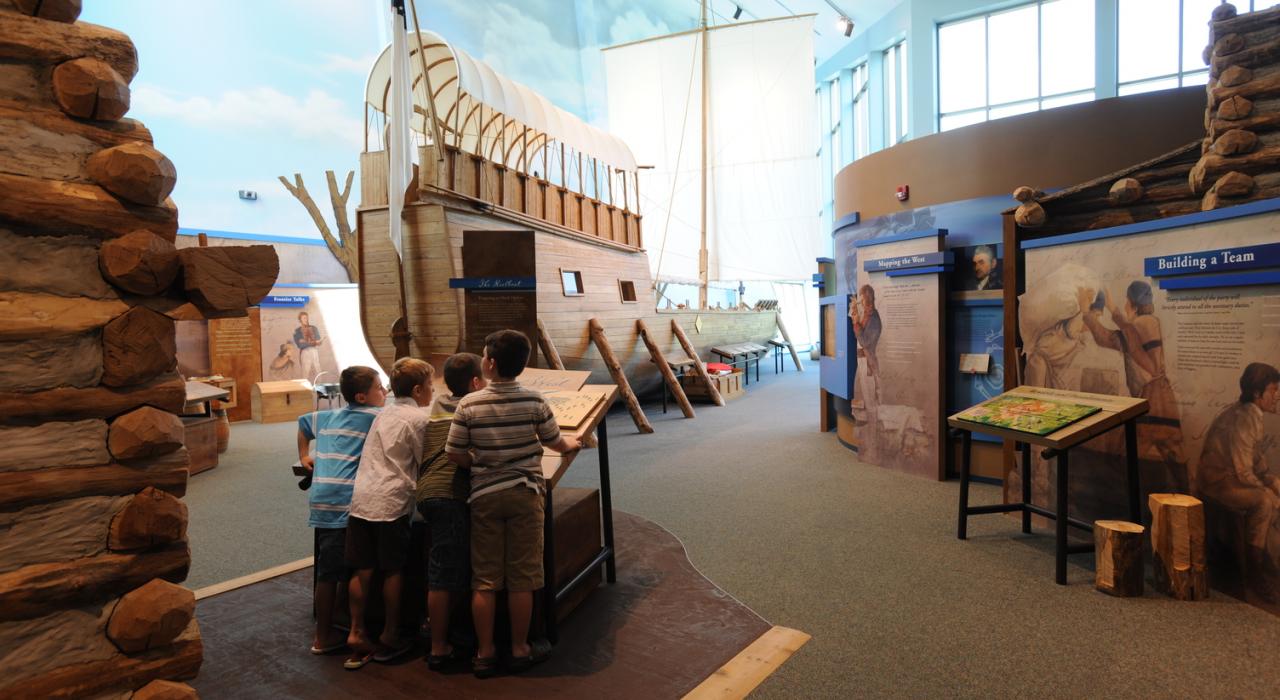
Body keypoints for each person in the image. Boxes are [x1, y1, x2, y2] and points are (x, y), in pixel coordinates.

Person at [446, 330, 580, 678]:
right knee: (523, 575)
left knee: (486, 577)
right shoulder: (535, 401)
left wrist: (477, 463)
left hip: (485, 496)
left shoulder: (468, 404)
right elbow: (555, 443)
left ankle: (485, 652)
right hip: (525, 493)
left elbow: (454, 451)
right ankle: (520, 648)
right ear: (522, 366)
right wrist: (576, 442)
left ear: (488, 364)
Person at [344, 357, 434, 669]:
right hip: (392, 501)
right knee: (393, 569)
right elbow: (427, 461)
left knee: (363, 568)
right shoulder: (418, 418)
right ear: (420, 389)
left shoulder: (385, 413)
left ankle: (356, 632)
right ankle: (391, 633)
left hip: (362, 498)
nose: (433, 393)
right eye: (431, 387)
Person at [296, 366, 385, 656]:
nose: (384, 393)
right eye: (379, 388)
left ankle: (335, 621)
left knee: (329, 568)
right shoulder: (374, 417)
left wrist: (303, 455)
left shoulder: (331, 414)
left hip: (322, 498)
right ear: (363, 395)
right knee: (346, 568)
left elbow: (303, 423)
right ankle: (326, 636)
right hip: (344, 502)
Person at [1076, 281, 1186, 486]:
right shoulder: (1149, 322)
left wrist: (1087, 313)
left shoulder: (1141, 325)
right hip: (1163, 396)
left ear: (1132, 304)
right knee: (1175, 459)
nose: (1124, 306)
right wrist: (1112, 309)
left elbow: (1106, 338)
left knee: (1124, 457)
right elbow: (1127, 335)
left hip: (1150, 399)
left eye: (1126, 302)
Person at [416, 352, 485, 671]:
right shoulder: (473, 408)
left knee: (446, 566)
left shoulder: (440, 403)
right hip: (449, 494)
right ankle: (440, 647)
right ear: (475, 382)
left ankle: (445, 633)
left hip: (428, 490)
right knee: (445, 573)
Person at [1197, 362, 1280, 586]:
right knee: (1264, 502)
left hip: (1229, 479)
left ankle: (1267, 561)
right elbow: (1244, 472)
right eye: (1273, 390)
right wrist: (1267, 491)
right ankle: (1255, 571)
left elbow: (1257, 465)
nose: (1277, 396)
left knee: (1274, 493)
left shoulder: (1250, 414)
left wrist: (1273, 482)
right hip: (1217, 483)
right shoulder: (1246, 417)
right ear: (1257, 393)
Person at [294, 311, 324, 381]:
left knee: (318, 370)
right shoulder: (297, 331)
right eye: (304, 318)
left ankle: (320, 388)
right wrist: (314, 342)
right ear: (300, 319)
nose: (306, 320)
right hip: (305, 352)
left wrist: (309, 342)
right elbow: (300, 344)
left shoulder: (314, 328)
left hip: (314, 351)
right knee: (305, 371)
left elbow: (318, 341)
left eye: (307, 318)